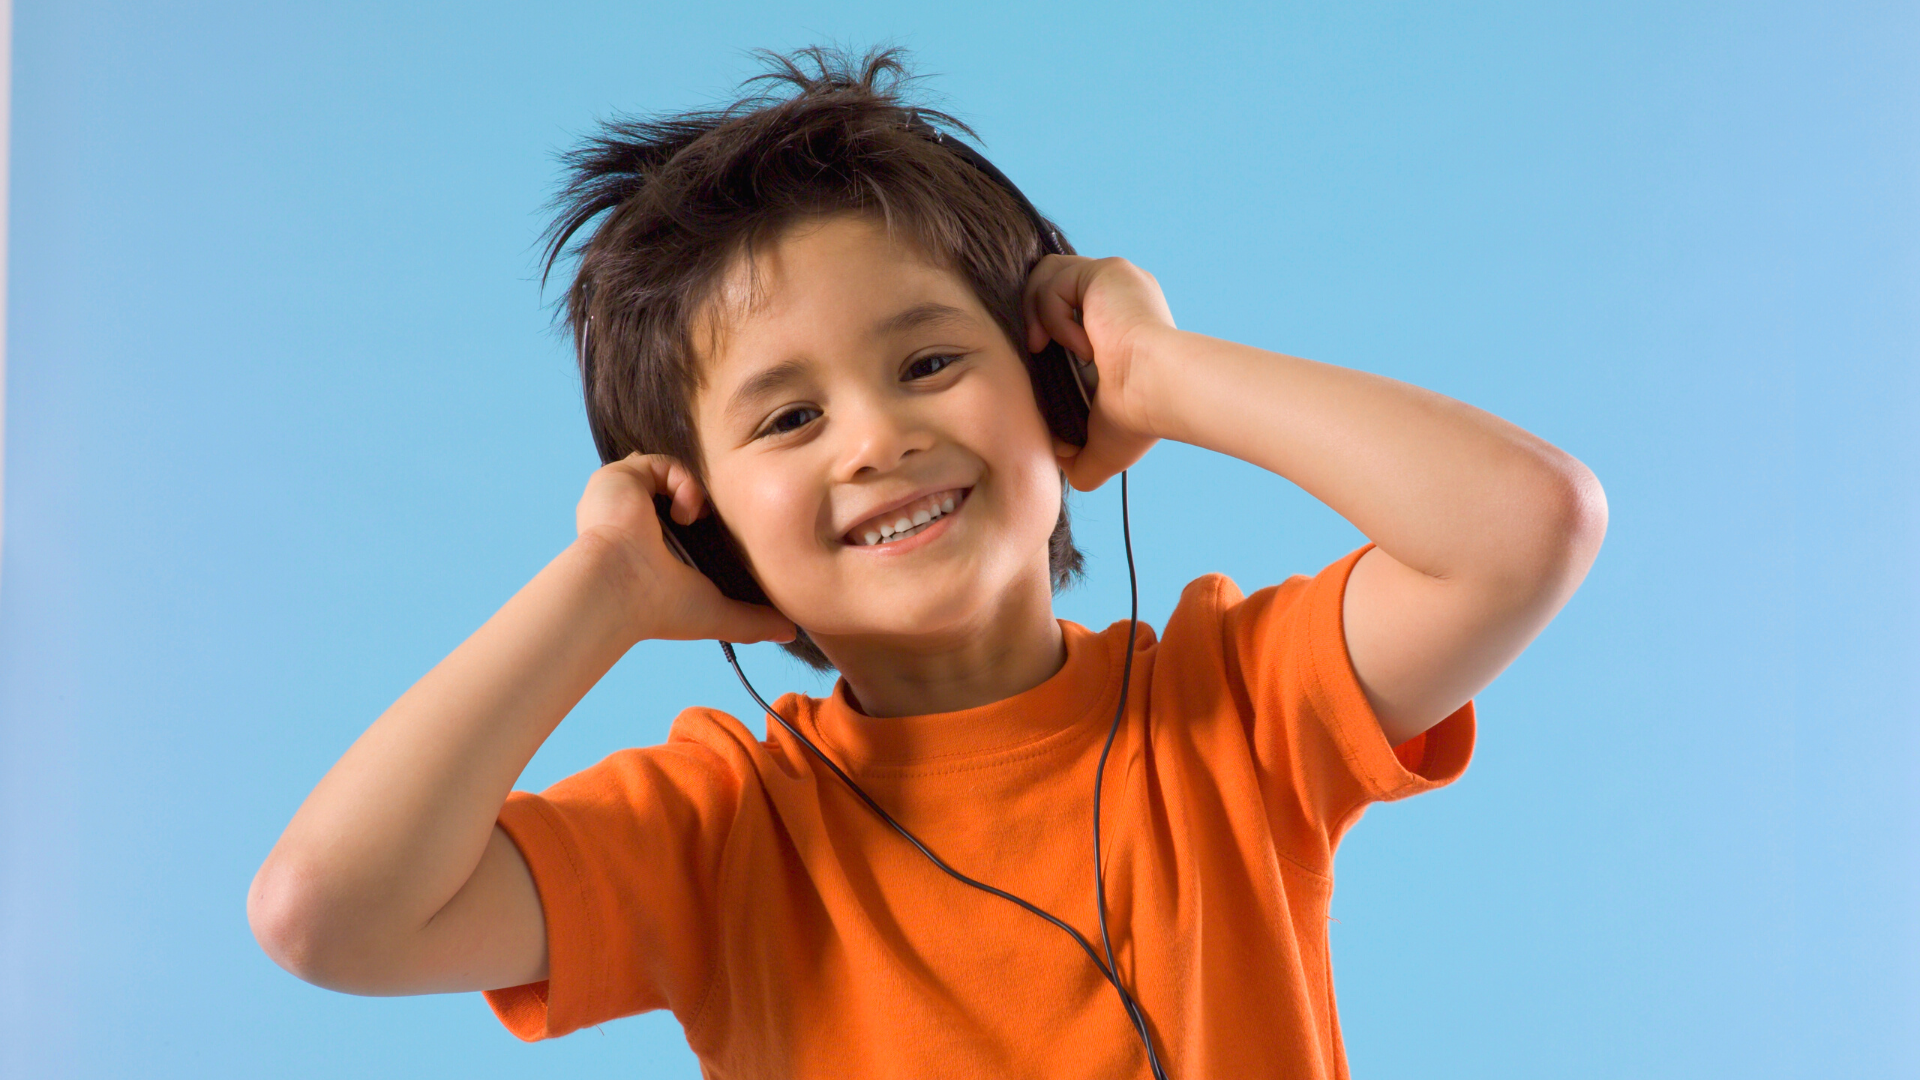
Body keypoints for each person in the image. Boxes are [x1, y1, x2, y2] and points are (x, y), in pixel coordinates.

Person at [248, 46, 1606, 1078]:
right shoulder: (723, 829)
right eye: (788, 418)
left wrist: (1158, 372)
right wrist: (603, 587)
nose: (879, 439)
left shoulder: (1238, 707)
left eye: (930, 363)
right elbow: (328, 912)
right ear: (699, 519)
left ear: (1054, 390)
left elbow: (1526, 525)